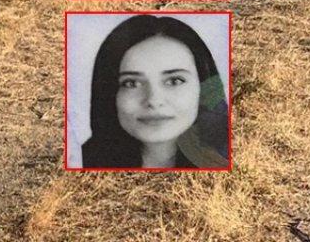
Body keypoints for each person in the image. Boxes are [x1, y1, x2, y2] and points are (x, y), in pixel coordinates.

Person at [79, 15, 229, 169]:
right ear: (109, 94)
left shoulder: (238, 158)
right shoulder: (79, 162)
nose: (154, 100)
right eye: (131, 83)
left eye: (174, 81)